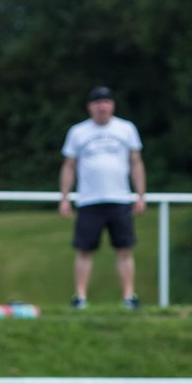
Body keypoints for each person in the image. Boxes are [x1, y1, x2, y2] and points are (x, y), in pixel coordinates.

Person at [58, 86, 147, 310]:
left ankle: (129, 297)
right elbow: (69, 166)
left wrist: (140, 195)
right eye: (98, 103)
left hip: (119, 199)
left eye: (106, 102)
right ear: (90, 107)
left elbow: (136, 163)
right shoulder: (78, 132)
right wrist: (65, 197)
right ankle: (80, 298)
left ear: (112, 105)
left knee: (124, 249)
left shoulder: (126, 129)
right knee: (84, 250)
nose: (102, 106)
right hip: (89, 201)